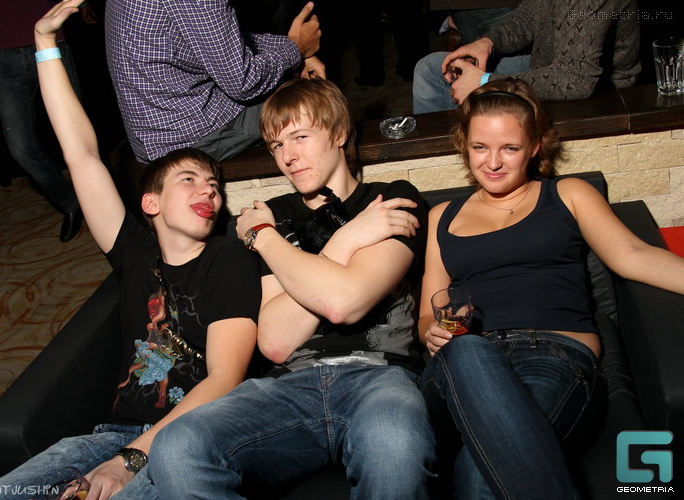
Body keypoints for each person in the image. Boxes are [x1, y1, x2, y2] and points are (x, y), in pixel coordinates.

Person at [0, 2, 261, 498]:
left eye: (214, 185)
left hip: (189, 440)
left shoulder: (228, 258)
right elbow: (80, 152)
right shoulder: (134, 253)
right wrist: (44, 44)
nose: (208, 191)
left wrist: (131, 460)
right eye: (189, 180)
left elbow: (224, 380)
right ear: (151, 202)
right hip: (109, 438)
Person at [112, 77, 438, 498]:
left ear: (340, 133)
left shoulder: (390, 199)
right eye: (277, 145)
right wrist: (343, 239)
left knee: (394, 441)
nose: (288, 157)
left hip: (379, 377)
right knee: (178, 445)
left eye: (300, 137)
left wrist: (266, 238)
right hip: (288, 385)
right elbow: (276, 341)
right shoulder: (274, 216)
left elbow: (345, 303)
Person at [416, 77, 684, 499]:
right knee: (467, 350)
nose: (493, 162)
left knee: (478, 473)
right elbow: (427, 314)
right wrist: (431, 332)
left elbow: (633, 254)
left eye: (510, 148)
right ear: (464, 146)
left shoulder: (567, 194)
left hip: (556, 356)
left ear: (535, 146)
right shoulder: (441, 217)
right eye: (480, 147)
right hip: (465, 366)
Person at [105, 0, 324, 164]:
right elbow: (243, 83)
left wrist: (293, 46)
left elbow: (215, 40)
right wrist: (295, 49)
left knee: (299, 81)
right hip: (189, 136)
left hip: (155, 133)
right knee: (317, 98)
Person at [0, 0, 85, 242]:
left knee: (77, 137)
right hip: (4, 57)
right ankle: (70, 201)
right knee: (21, 148)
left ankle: (101, 202)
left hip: (50, 41)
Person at [412, 0, 641, 113]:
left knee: (468, 85)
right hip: (547, 62)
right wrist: (488, 42)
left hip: (596, 90)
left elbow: (574, 80)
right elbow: (529, 16)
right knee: (432, 69)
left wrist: (485, 81)